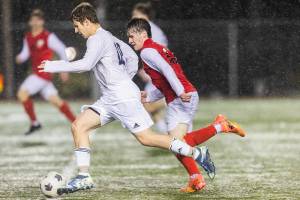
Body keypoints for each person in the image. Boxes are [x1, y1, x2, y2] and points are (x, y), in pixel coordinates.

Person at [38, 3, 243, 194]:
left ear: (86, 21)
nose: (76, 30)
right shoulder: (109, 37)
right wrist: (124, 79)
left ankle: (197, 153)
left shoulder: (97, 39)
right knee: (78, 126)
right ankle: (84, 176)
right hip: (112, 98)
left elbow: (85, 64)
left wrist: (53, 65)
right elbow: (131, 57)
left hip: (122, 98)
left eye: (77, 26)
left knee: (147, 138)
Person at [126, 18, 246, 192]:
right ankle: (196, 177)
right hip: (183, 95)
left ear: (143, 34)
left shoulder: (147, 52)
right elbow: (166, 81)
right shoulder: (157, 49)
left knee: (174, 143)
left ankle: (220, 128)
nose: (130, 41)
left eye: (131, 36)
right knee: (178, 143)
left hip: (181, 98)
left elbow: (168, 72)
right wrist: (149, 96)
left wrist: (180, 91)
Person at [16, 9, 76, 135]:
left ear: (42, 22)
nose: (35, 22)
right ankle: (76, 122)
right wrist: (20, 57)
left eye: (38, 19)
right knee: (56, 101)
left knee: (22, 93)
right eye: (33, 20)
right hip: (40, 75)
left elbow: (62, 49)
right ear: (30, 22)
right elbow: (26, 53)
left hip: (43, 72)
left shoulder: (48, 36)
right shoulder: (28, 37)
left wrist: (64, 68)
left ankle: (35, 123)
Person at [132, 2, 168, 132]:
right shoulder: (146, 30)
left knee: (145, 105)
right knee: (151, 111)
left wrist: (151, 71)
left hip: (159, 74)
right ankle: (167, 135)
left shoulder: (151, 30)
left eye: (136, 15)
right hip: (157, 73)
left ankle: (171, 100)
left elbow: (160, 54)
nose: (133, 17)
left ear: (144, 15)